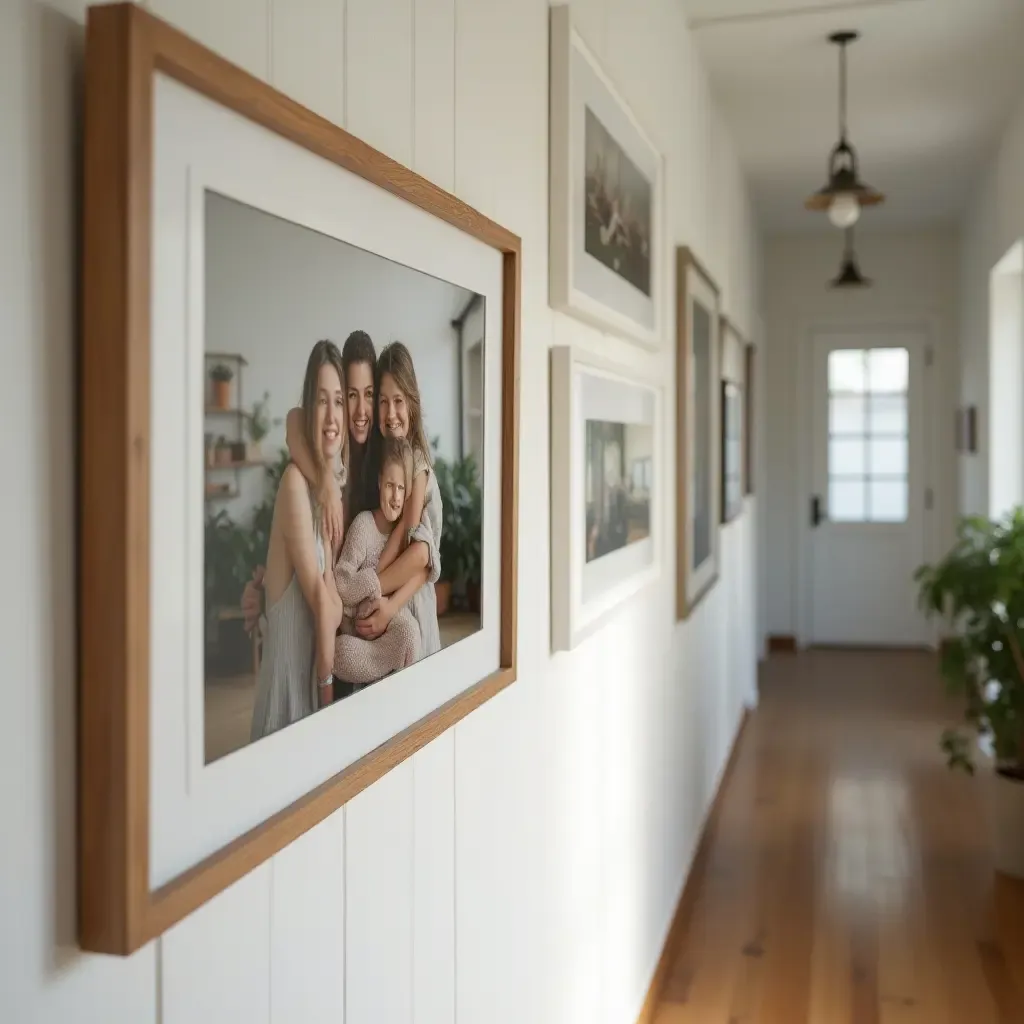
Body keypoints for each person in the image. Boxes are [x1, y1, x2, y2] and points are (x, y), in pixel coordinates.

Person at [249, 340, 347, 741]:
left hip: (312, 694)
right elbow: (326, 606)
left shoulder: (332, 487)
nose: (332, 415)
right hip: (289, 704)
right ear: (309, 407)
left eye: (339, 401)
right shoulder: (295, 484)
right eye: (322, 401)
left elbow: (333, 601)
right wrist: (328, 697)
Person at [355, 341, 441, 657]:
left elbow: (418, 551)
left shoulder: (416, 464)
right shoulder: (380, 463)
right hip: (388, 613)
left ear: (412, 405)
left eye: (399, 401)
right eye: (383, 402)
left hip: (411, 613)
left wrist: (371, 593)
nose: (391, 414)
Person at [331, 436, 423, 686]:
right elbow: (341, 582)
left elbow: (423, 568)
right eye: (390, 485)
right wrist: (372, 583)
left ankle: (390, 678)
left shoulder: (405, 535)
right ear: (380, 482)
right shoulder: (364, 525)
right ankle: (385, 674)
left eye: (401, 488)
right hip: (358, 635)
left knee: (409, 631)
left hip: (388, 632)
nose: (395, 496)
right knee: (340, 652)